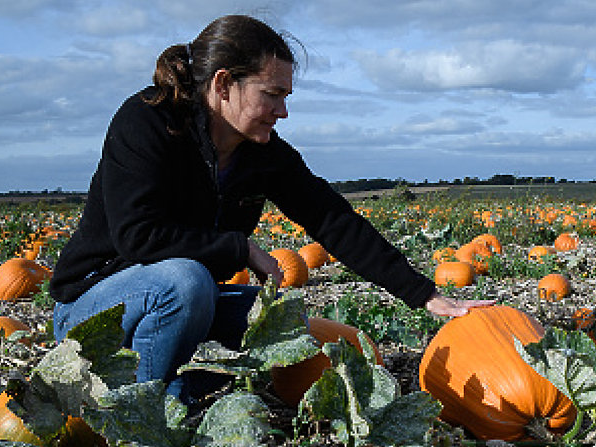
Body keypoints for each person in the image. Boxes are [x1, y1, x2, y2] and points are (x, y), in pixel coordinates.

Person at [49, 14, 491, 403]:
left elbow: (332, 219)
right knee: (186, 282)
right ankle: (141, 411)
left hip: (184, 302)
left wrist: (424, 294)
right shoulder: (148, 120)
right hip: (95, 307)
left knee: (282, 325)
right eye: (272, 95)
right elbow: (138, 236)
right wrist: (239, 248)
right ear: (223, 84)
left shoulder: (261, 154)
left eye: (286, 97)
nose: (282, 111)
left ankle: (173, 382)